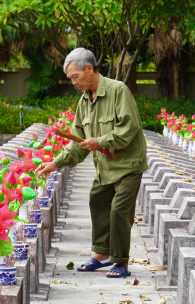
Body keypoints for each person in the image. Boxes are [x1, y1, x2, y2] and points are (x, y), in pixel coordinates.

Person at [35, 48, 148, 278]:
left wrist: (101, 141)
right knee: (97, 199)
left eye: (75, 76)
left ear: (89, 68)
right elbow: (77, 142)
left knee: (119, 210)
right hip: (105, 167)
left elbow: (129, 127)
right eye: (70, 78)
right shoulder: (84, 102)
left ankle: (121, 261)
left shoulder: (118, 90)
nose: (73, 82)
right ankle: (101, 253)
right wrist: (54, 164)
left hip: (128, 165)